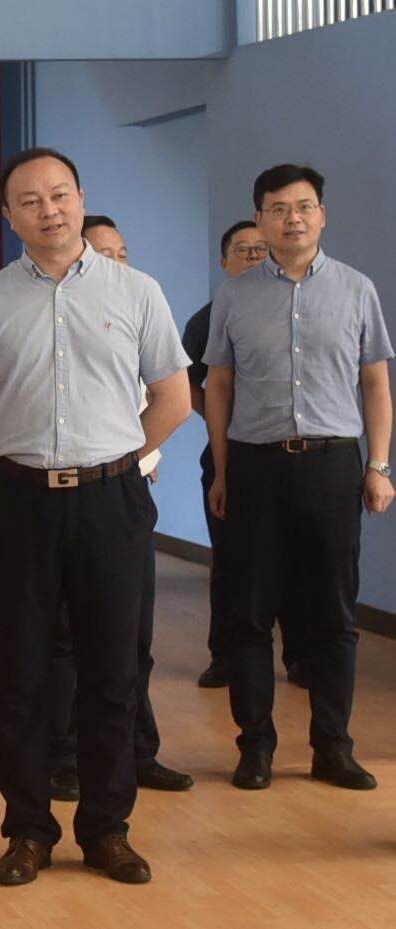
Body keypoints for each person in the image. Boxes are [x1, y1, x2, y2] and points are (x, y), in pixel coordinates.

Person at [0, 148, 191, 886]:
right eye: (29, 200)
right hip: (17, 500)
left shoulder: (137, 291)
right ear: (7, 215)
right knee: (20, 676)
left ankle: (107, 829)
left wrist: (115, 458)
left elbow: (174, 399)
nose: (47, 210)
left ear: (80, 198)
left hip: (111, 501)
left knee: (114, 672)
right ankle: (27, 830)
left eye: (59, 195)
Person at [204, 164, 394, 792]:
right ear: (260, 218)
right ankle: (255, 747)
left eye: (304, 206)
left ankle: (333, 748)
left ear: (322, 215)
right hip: (255, 465)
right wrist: (222, 470)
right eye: (279, 208)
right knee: (250, 614)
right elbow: (219, 386)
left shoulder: (356, 289)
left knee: (333, 615)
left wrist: (378, 465)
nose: (293, 218)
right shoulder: (234, 295)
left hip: (333, 465)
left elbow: (375, 384)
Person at [50, 215, 192, 802]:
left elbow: (167, 399)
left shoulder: (137, 305)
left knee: (131, 637)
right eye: (103, 252)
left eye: (122, 252)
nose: (114, 262)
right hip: (67, 494)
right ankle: (65, 756)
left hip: (125, 492)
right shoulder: (58, 317)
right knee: (68, 640)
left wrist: (130, 460)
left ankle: (139, 751)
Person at [183, 221, 308, 690]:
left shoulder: (293, 308)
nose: (255, 258)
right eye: (244, 251)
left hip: (288, 458)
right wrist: (224, 424)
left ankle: (300, 656)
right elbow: (186, 386)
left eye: (261, 250)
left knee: (294, 559)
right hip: (230, 454)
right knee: (233, 561)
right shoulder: (208, 318)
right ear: (224, 263)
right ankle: (226, 656)